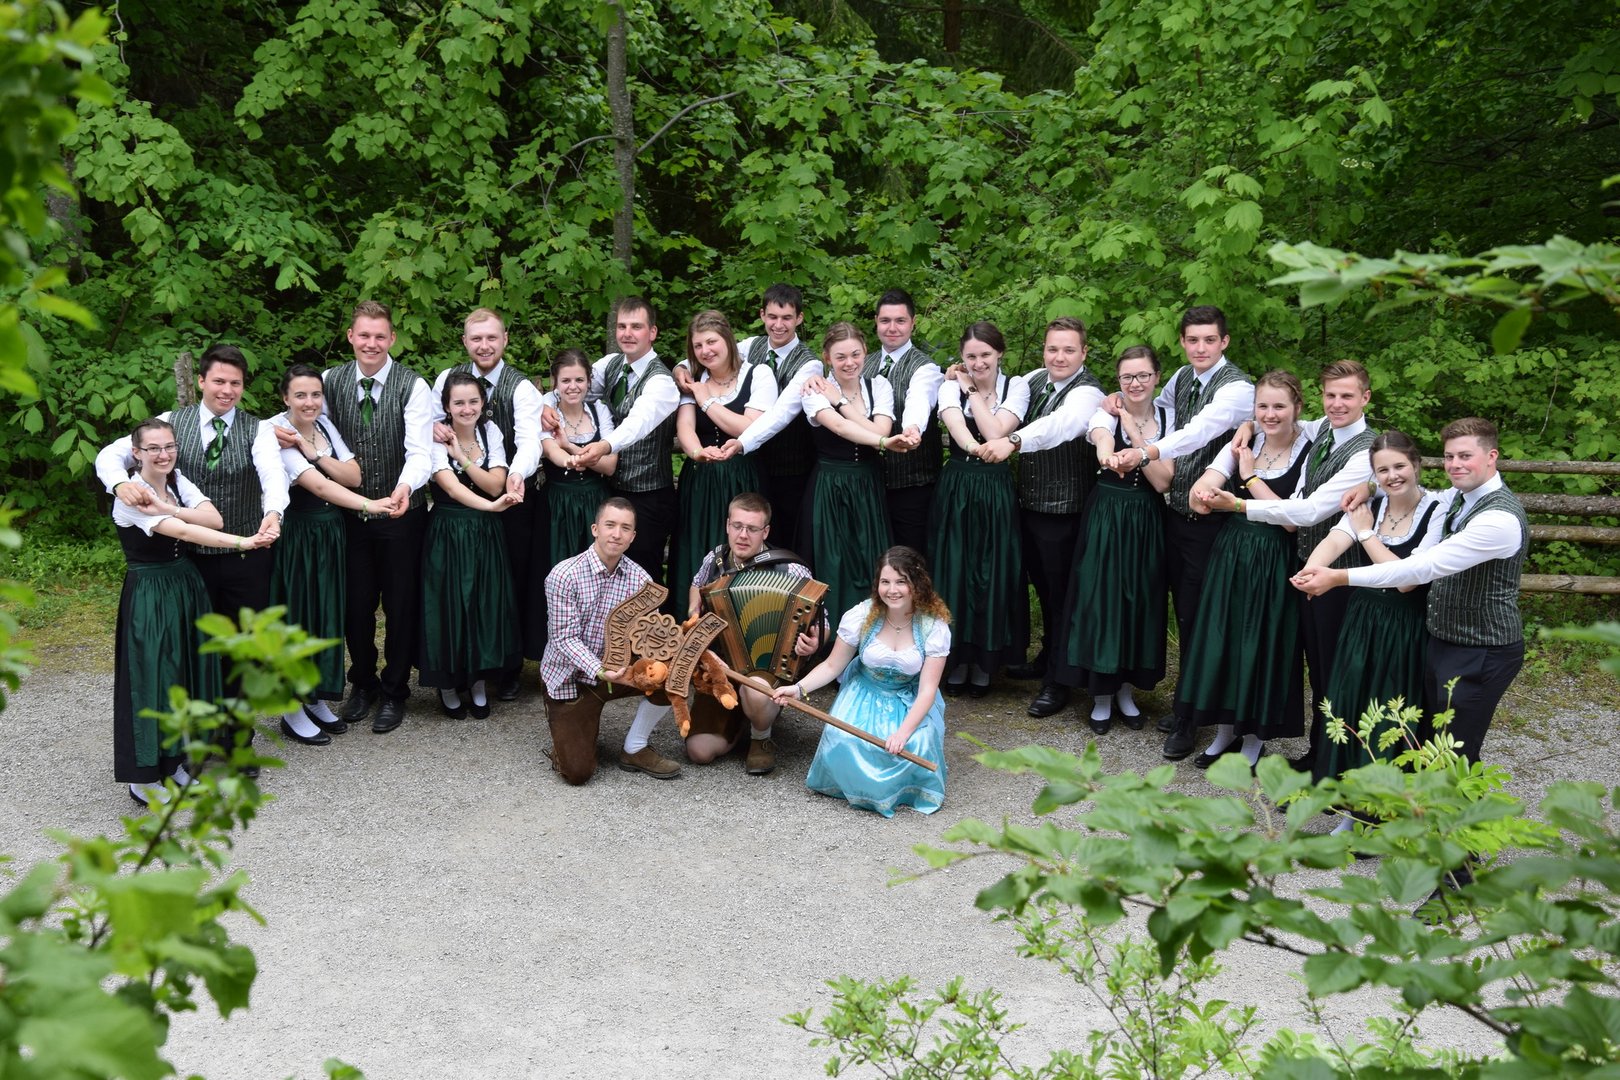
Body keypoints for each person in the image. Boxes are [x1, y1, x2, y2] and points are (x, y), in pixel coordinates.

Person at [1292, 417, 1529, 767]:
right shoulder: (1459, 497)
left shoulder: (1497, 520)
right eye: (1449, 457)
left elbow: (1418, 570)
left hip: (1483, 645)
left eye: (1465, 456)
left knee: (1455, 751)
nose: (1455, 465)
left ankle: (1455, 804)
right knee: (1431, 740)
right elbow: (1394, 489)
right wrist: (1369, 487)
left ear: (1491, 456)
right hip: (1444, 637)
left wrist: (1338, 576)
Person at [1104, 306, 1255, 757]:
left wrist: (1145, 452)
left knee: (1206, 619)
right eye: (1193, 340)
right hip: (1175, 515)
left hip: (1214, 522)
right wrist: (1120, 402)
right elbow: (1163, 408)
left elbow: (1197, 431)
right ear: (1183, 342)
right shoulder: (1182, 379)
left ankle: (1192, 720)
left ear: (1224, 341)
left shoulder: (1238, 389)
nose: (1200, 348)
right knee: (1184, 616)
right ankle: (1189, 703)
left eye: (1209, 340)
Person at [96, 344, 290, 679]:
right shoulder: (169, 423)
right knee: (196, 645)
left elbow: (273, 474)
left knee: (245, 646)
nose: (227, 390)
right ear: (201, 381)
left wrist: (273, 513)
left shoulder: (258, 430)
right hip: (191, 559)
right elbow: (111, 454)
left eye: (235, 383)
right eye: (219, 381)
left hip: (245, 558)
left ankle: (240, 713)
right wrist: (118, 484)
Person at [111, 419, 274, 806]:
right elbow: (186, 532)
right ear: (136, 453)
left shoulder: (177, 482)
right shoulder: (129, 495)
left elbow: (213, 518)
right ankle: (143, 777)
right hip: (151, 593)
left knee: (181, 674)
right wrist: (244, 542)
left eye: (169, 446)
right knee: (152, 677)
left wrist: (167, 505)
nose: (163, 454)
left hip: (183, 587)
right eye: (153, 448)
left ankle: (174, 761)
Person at [1224, 360, 1377, 767]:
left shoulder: (1366, 452)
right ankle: (1320, 754)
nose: (1337, 404)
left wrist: (1242, 498)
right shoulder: (1323, 429)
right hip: (1308, 566)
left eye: (1347, 396)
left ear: (1365, 397)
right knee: (1318, 669)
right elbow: (1279, 419)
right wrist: (1247, 425)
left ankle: (1340, 764)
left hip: (1342, 575)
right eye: (1331, 395)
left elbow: (1309, 512)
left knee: (1337, 669)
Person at [1176, 371, 1312, 766]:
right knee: (1226, 639)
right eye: (1262, 406)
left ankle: (1253, 740)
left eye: (1279, 406)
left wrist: (1249, 477)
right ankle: (1224, 732)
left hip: (1273, 558)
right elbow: (1204, 489)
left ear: (1297, 408)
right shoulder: (1243, 440)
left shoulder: (1308, 451)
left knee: (1260, 643)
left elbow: (1290, 520)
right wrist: (1204, 488)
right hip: (1232, 551)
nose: (1270, 414)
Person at [1297, 431, 1441, 799]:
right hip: (1362, 620)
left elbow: (1405, 581)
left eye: (1399, 466)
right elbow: (1334, 539)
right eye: (1382, 470)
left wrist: (1365, 534)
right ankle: (1338, 791)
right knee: (1350, 702)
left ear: (1416, 465)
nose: (1392, 476)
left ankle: (1379, 801)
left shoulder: (1437, 509)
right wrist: (1311, 571)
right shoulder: (1370, 504)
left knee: (1390, 708)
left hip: (1404, 626)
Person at [977, 317, 1106, 718]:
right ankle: (1048, 658)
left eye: (1069, 349)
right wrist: (962, 375)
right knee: (1046, 593)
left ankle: (1058, 682)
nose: (1059, 357)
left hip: (1066, 512)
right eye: (1053, 348)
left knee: (1064, 597)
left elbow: (1060, 425)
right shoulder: (1034, 380)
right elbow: (996, 385)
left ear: (1084, 352)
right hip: (1029, 506)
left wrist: (1013, 440)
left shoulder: (1088, 392)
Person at [319, 300, 434, 734]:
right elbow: (308, 425)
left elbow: (420, 450)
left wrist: (404, 487)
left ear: (392, 339)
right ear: (351, 336)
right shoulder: (329, 381)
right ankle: (362, 681)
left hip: (401, 513)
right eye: (364, 335)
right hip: (349, 513)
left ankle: (395, 689)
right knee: (357, 603)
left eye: (380, 336)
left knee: (400, 604)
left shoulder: (413, 385)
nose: (371, 343)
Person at [267, 363, 397, 746]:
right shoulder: (275, 432)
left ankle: (315, 695)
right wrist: (371, 505)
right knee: (299, 618)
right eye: (300, 395)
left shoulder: (323, 426)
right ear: (285, 398)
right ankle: (291, 708)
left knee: (326, 616)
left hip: (331, 534)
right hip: (300, 536)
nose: (309, 402)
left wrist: (312, 450)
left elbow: (354, 475)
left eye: (315, 394)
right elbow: (321, 486)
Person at [1050, 345, 1174, 734]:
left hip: (1146, 518)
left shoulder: (1169, 417)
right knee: (1101, 599)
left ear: (1156, 377)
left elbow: (1162, 480)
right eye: (1127, 377)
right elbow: (1104, 445)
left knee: (1138, 599)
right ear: (1118, 380)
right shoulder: (1105, 411)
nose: (1135, 383)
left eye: (1143, 375)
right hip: (1107, 514)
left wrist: (1134, 434)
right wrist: (1110, 456)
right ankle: (1101, 694)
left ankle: (1125, 690)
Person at [775, 547, 950, 817]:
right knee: (845, 739)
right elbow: (832, 665)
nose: (892, 590)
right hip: (864, 695)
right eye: (885, 582)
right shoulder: (862, 616)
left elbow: (928, 690)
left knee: (917, 744)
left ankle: (900, 788)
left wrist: (902, 734)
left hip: (908, 700)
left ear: (917, 583)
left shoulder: (933, 626)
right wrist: (798, 689)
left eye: (901, 582)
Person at [430, 308, 544, 700]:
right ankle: (464, 666)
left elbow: (528, 440)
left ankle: (507, 669)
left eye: (491, 338)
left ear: (505, 339)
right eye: (476, 338)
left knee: (508, 582)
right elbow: (432, 423)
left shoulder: (522, 387)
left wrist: (516, 474)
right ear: (465, 341)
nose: (484, 345)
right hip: (458, 501)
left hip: (512, 493)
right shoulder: (447, 379)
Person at [540, 497, 684, 784]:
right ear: (595, 529)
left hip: (618, 672)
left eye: (625, 528)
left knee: (672, 673)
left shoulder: (640, 578)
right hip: (571, 680)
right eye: (610, 525)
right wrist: (601, 670)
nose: (617, 534)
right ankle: (568, 744)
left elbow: (652, 635)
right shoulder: (564, 575)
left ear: (633, 537)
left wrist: (681, 651)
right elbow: (564, 638)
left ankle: (635, 748)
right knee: (578, 772)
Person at [552, 296, 681, 598]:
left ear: (652, 332)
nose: (627, 333)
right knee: (609, 578)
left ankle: (650, 631)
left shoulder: (661, 382)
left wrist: (604, 445)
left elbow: (638, 422)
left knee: (643, 579)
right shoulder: (610, 365)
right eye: (622, 326)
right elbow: (573, 387)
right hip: (610, 490)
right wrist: (548, 404)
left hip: (648, 495)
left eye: (636, 327)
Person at [685, 492, 820, 775]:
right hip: (721, 669)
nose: (743, 535)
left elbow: (822, 620)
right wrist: (693, 608)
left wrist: (815, 641)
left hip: (766, 670)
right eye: (737, 526)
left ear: (765, 532)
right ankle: (742, 719)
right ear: (727, 525)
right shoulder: (715, 559)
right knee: (699, 751)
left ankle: (761, 736)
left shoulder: (790, 568)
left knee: (756, 691)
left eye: (752, 529)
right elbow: (697, 585)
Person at [927, 321, 1029, 696]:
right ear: (962, 356)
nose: (978, 362)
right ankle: (956, 659)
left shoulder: (1016, 386)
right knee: (955, 569)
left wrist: (970, 388)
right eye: (970, 356)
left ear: (999, 352)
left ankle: (986, 662)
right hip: (958, 485)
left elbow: (996, 432)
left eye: (985, 354)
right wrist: (975, 449)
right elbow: (958, 427)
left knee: (991, 570)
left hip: (995, 488)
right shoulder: (948, 387)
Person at [419, 373, 523, 719]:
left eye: (473, 401)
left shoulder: (490, 432)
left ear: (483, 404)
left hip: (485, 533)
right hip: (449, 531)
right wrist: (491, 507)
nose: (467, 409)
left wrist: (462, 458)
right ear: (447, 407)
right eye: (459, 402)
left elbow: (495, 484)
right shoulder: (434, 436)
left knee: (483, 603)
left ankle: (478, 681)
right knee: (448, 605)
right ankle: (448, 684)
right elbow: (451, 488)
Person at [670, 310, 776, 613]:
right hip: (701, 478)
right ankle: (691, 621)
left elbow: (749, 427)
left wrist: (706, 400)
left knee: (742, 544)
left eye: (711, 342)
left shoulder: (758, 374)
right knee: (697, 546)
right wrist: (697, 452)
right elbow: (685, 426)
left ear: (728, 340)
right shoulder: (694, 378)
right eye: (698, 346)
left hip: (742, 476)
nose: (705, 351)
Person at [710, 284, 822, 545]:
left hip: (792, 470)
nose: (778, 325)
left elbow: (782, 412)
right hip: (753, 467)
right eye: (772, 317)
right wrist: (682, 368)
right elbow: (712, 354)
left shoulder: (810, 364)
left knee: (786, 540)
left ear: (799, 318)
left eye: (786, 318)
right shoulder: (751, 346)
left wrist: (742, 442)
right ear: (762, 315)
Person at [799, 322, 895, 622]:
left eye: (855, 354)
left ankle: (873, 632)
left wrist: (839, 401)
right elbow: (841, 427)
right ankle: (829, 637)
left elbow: (881, 431)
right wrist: (880, 440)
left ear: (866, 351)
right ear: (827, 358)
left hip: (867, 484)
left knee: (870, 558)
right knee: (833, 562)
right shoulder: (814, 390)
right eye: (840, 357)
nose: (849, 362)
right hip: (831, 486)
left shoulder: (879, 386)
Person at [861, 289, 943, 554]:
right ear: (876, 321)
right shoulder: (862, 363)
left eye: (900, 321)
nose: (892, 328)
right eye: (885, 320)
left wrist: (912, 428)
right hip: (868, 482)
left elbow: (919, 399)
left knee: (909, 557)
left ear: (913, 322)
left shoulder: (925, 368)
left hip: (912, 486)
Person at [539, 348, 617, 564]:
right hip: (558, 504)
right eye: (565, 380)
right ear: (555, 382)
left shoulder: (599, 411)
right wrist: (576, 460)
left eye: (579, 380)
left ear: (589, 381)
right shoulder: (547, 415)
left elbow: (610, 465)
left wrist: (570, 447)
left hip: (597, 502)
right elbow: (551, 450)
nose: (573, 386)